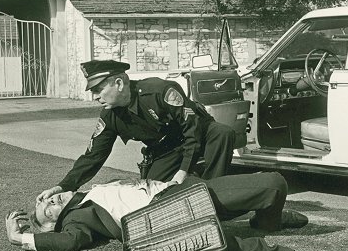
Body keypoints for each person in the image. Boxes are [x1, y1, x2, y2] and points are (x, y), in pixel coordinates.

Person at [8, 172, 337, 251]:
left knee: (273, 184)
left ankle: (269, 221)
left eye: (47, 196)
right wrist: (23, 237)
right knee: (229, 243)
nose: (50, 199)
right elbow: (70, 241)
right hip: (165, 220)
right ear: (52, 222)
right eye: (46, 207)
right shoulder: (76, 219)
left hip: (186, 192)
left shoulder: (90, 191)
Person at [36, 60, 236, 203]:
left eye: (98, 90)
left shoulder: (159, 90)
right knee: (153, 195)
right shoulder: (110, 115)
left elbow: (192, 129)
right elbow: (93, 156)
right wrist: (64, 186)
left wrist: (182, 171)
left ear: (119, 83)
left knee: (222, 133)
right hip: (167, 147)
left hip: (198, 131)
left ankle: (214, 196)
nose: (95, 97)